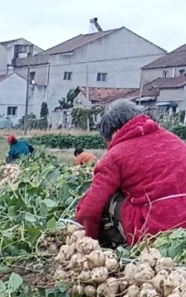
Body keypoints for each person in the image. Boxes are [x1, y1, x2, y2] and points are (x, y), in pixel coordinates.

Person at [75, 99, 186, 246]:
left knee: (108, 198)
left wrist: (87, 242)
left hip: (154, 233)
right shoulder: (175, 141)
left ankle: (118, 247)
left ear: (115, 132)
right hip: (182, 231)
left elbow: (89, 210)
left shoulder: (116, 154)